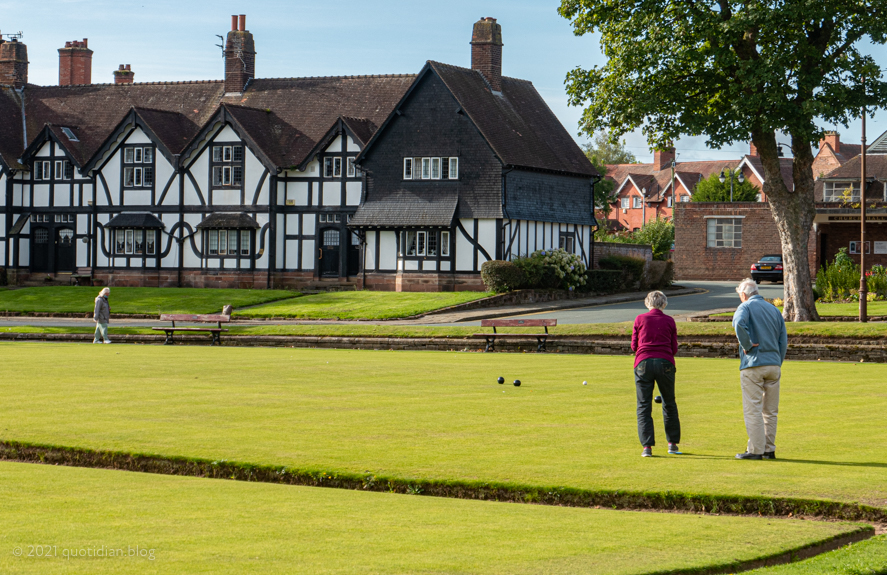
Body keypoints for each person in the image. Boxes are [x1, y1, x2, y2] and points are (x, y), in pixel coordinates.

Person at [732, 278, 787, 460]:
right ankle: (769, 449)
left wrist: (746, 344)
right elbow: (783, 339)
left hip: (753, 363)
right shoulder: (774, 309)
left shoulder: (745, 307)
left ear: (743, 294)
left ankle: (756, 450)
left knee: (753, 409)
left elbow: (739, 324)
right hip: (773, 364)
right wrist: (778, 359)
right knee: (770, 410)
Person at [631, 290, 681, 458]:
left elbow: (634, 346)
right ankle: (672, 444)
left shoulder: (640, 319)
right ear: (664, 304)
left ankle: (647, 447)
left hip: (643, 363)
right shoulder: (669, 320)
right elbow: (674, 348)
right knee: (669, 402)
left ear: (648, 303)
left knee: (643, 405)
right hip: (665, 362)